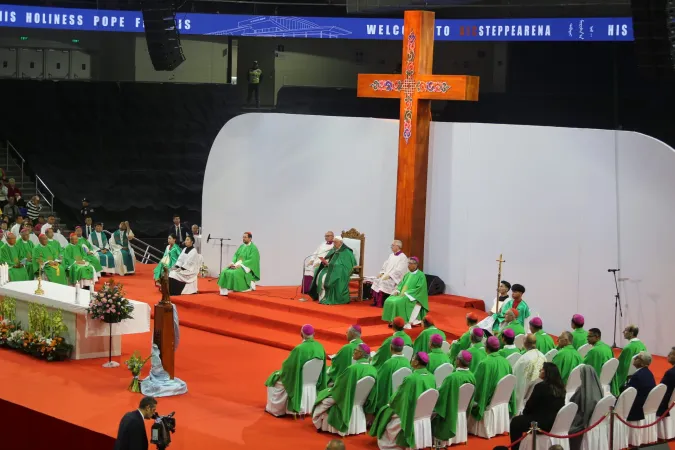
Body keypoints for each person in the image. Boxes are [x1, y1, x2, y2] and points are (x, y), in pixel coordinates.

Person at [369, 352, 436, 449]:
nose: (411, 360)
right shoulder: (431, 377)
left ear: (416, 362)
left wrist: (390, 402)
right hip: (424, 413)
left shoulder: (411, 378)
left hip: (410, 412)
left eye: (413, 358)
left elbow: (399, 397)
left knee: (385, 410)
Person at [312, 343, 377, 434]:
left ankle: (318, 423)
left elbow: (340, 389)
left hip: (346, 401)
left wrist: (332, 388)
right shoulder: (373, 369)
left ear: (361, 354)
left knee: (322, 398)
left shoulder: (352, 369)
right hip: (360, 402)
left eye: (356, 350)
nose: (353, 352)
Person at [265, 324, 327, 416]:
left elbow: (288, 367)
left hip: (299, 381)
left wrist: (280, 373)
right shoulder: (320, 347)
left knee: (274, 378)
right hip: (312, 382)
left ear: (301, 334)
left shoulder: (299, 349)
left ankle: (276, 410)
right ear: (314, 334)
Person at [509, 363, 566, 450]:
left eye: (542, 369)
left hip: (540, 424)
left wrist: (525, 414)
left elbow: (529, 406)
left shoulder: (540, 387)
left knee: (515, 422)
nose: (540, 370)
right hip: (555, 423)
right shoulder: (561, 388)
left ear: (547, 373)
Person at [432, 350, 477, 442]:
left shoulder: (452, 377)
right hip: (462, 409)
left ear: (458, 361)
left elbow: (441, 395)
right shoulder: (472, 376)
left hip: (450, 411)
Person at [471, 336, 516, 421]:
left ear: (486, 347)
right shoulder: (506, 362)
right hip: (502, 399)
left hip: (489, 401)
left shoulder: (484, 363)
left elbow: (476, 385)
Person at [367, 336, 411, 414]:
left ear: (390, 347)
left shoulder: (388, 364)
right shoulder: (407, 362)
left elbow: (380, 383)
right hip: (403, 400)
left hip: (389, 402)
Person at [308, 235, 356, 305]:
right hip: (331, 268)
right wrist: (325, 263)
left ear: (341, 242)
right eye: (334, 242)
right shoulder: (334, 249)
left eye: (336, 242)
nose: (334, 244)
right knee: (317, 270)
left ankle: (332, 297)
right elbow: (329, 258)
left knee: (331, 276)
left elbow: (348, 264)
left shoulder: (347, 251)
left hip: (341, 270)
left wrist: (334, 265)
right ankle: (322, 296)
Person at [381, 257, 428, 328]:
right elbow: (401, 285)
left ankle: (403, 322)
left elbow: (420, 288)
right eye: (408, 263)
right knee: (389, 300)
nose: (408, 265)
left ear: (415, 265)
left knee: (398, 302)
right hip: (402, 294)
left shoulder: (421, 275)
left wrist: (407, 293)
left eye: (410, 263)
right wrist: (397, 290)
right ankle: (392, 321)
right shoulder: (407, 274)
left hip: (413, 296)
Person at [568, 365, 604, 450]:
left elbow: (573, 405)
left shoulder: (582, 392)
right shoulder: (599, 389)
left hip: (582, 422)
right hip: (595, 423)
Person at [217, 232, 260, 296]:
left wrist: (241, 265)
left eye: (245, 237)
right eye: (243, 237)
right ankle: (225, 290)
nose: (243, 238)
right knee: (224, 271)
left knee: (235, 273)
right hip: (237, 264)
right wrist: (232, 263)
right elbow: (235, 256)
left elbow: (253, 260)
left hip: (246, 267)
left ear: (250, 238)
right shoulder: (241, 246)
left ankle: (241, 288)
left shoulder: (253, 248)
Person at [513, 334, 546, 414]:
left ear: (525, 343)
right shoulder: (543, 356)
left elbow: (517, 379)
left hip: (524, 395)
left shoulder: (524, 359)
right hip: (538, 395)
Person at [370, 240, 408, 308]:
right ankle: (376, 302)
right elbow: (385, 265)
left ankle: (381, 303)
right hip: (387, 275)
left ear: (397, 246)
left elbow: (400, 270)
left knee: (383, 282)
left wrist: (390, 276)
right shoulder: (391, 255)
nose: (391, 247)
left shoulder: (403, 257)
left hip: (395, 278)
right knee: (377, 280)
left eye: (392, 245)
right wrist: (382, 273)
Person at [614, 324, 647, 396]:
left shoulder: (628, 348)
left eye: (625, 330)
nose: (623, 332)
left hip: (626, 377)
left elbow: (622, 366)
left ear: (631, 333)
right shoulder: (642, 345)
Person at [624, 351, 656, 422]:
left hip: (636, 410)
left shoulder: (637, 376)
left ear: (642, 363)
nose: (634, 358)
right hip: (646, 406)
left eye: (637, 358)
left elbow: (628, 393)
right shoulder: (649, 373)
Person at [656, 346, 675, 418]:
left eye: (672, 354)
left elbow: (660, 391)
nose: (668, 355)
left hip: (664, 409)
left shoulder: (670, 373)